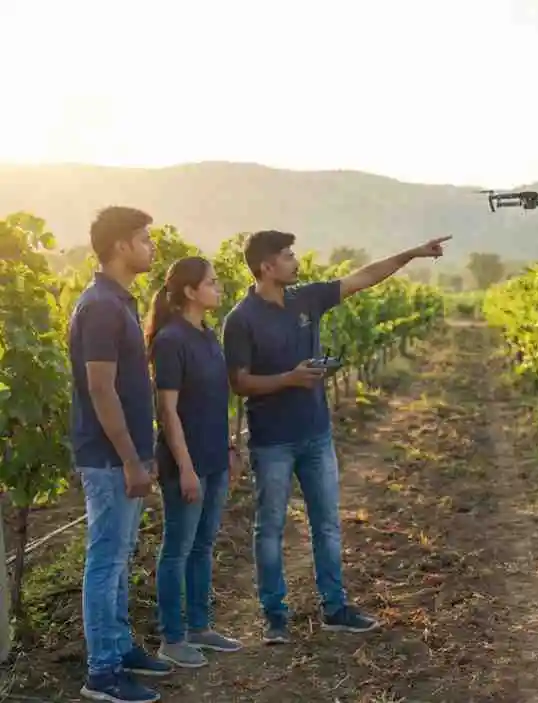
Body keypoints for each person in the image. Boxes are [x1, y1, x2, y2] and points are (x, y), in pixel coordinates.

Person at [222, 230, 451, 643]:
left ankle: (335, 607)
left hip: (316, 434)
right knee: (270, 528)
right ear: (266, 267)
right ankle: (275, 617)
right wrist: (289, 379)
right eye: (288, 256)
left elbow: (364, 277)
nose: (296, 261)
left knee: (326, 524)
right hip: (272, 441)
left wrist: (413, 253)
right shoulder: (241, 319)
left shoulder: (306, 299)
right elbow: (239, 383)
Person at [68, 206, 173, 703]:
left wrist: (141, 453)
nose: (152, 246)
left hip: (124, 453)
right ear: (120, 246)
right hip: (109, 456)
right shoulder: (101, 307)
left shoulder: (118, 302)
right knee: (106, 560)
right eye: (144, 238)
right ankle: (102, 673)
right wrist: (131, 458)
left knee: (119, 554)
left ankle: (120, 647)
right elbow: (100, 388)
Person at [145, 256, 245, 669]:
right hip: (186, 463)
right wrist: (185, 468)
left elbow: (214, 401)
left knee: (203, 546)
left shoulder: (207, 335)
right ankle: (172, 638)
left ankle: (200, 627)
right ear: (189, 291)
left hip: (214, 457)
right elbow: (167, 411)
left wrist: (228, 449)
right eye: (212, 282)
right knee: (177, 549)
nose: (219, 288)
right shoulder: (171, 341)